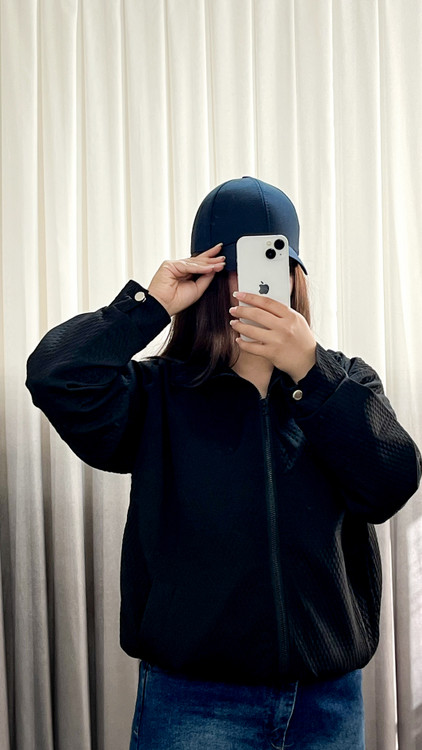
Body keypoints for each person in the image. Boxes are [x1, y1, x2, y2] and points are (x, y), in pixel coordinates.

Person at [26, 176, 421, 749]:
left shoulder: (343, 384)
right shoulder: (157, 394)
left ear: (295, 274)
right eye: (234, 266)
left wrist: (310, 371)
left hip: (326, 703)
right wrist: (148, 307)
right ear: (206, 277)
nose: (254, 285)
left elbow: (392, 483)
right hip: (194, 704)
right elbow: (55, 375)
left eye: (274, 263)